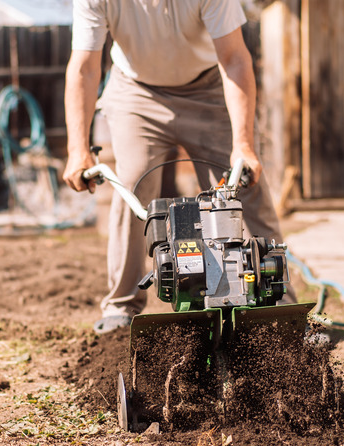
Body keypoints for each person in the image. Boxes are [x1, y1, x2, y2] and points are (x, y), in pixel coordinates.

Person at [63, 0, 294, 333]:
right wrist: (76, 149)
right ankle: (121, 307)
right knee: (132, 183)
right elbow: (84, 67)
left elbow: (233, 57)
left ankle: (279, 305)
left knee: (240, 183)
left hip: (208, 88)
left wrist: (242, 143)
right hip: (136, 92)